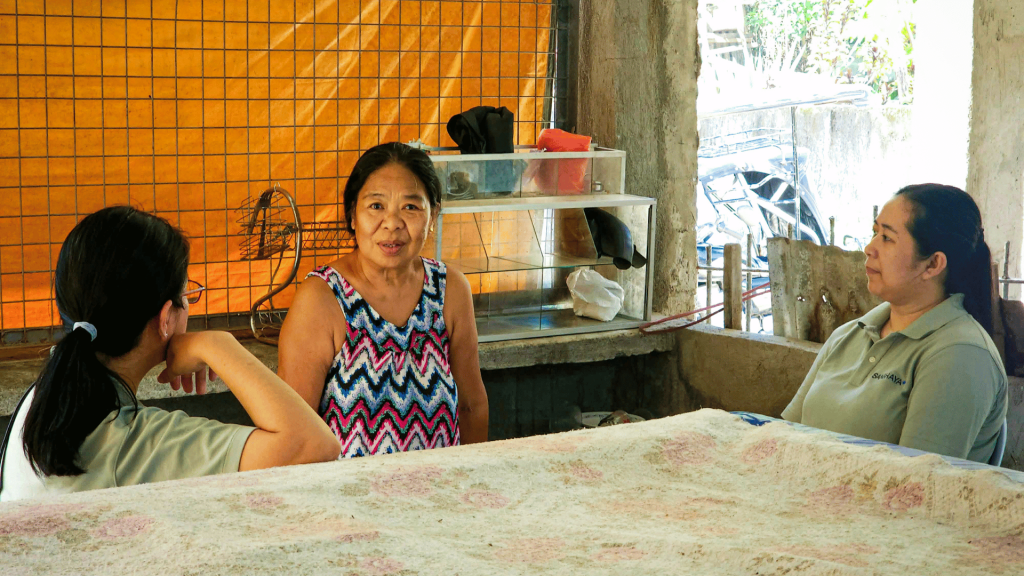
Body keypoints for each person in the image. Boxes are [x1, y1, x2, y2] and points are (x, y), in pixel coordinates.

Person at [0, 207, 340, 502]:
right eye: (186, 292)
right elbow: (312, 444)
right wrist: (216, 345)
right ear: (165, 319)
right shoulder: (135, 442)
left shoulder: (43, 397)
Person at [278, 142, 489, 457]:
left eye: (411, 207)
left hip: (440, 492)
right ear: (352, 215)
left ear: (433, 216)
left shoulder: (450, 290)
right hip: (347, 500)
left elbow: (472, 407)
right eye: (376, 206)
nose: (392, 223)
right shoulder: (321, 298)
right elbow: (293, 432)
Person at [783, 184, 1007, 463]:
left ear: (933, 264)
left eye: (887, 238)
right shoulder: (850, 334)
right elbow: (785, 434)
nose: (869, 248)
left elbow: (914, 487)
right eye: (875, 232)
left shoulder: (961, 355)